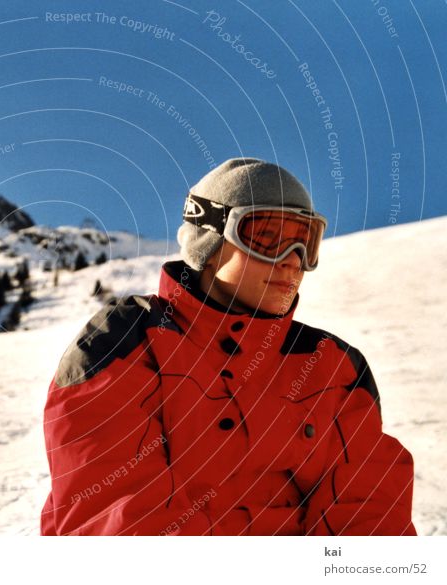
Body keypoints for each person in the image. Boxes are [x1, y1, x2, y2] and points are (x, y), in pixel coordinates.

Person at [40, 157, 416, 536]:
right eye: (268, 237)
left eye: (306, 243)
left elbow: (367, 508)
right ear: (210, 242)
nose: (291, 262)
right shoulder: (124, 344)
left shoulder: (332, 366)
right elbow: (117, 521)